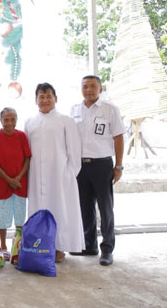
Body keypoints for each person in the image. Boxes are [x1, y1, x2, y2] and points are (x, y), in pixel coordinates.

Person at [25, 82, 84, 263]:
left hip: (59, 176)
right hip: (36, 177)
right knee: (38, 210)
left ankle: (59, 248)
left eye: (48, 96)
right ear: (36, 100)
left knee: (60, 210)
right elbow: (26, 151)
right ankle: (40, 246)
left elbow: (74, 151)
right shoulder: (30, 122)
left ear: (55, 98)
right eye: (41, 97)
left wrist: (68, 174)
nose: (45, 100)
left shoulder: (65, 120)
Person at [70, 75, 125, 266]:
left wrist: (118, 166)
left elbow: (118, 137)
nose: (89, 90)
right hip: (80, 166)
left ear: (100, 89)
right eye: (85, 86)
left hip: (102, 165)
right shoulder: (75, 110)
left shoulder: (109, 109)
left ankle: (107, 249)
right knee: (85, 207)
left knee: (105, 208)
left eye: (93, 86)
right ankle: (89, 245)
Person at [0, 107, 31, 259]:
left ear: (16, 120)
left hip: (20, 183)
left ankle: (18, 245)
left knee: (20, 216)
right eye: (6, 120)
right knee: (1, 216)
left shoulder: (22, 136)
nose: (9, 123)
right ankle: (3, 245)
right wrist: (9, 179)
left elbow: (27, 158)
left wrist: (18, 178)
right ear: (1, 121)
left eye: (12, 119)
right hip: (2, 183)